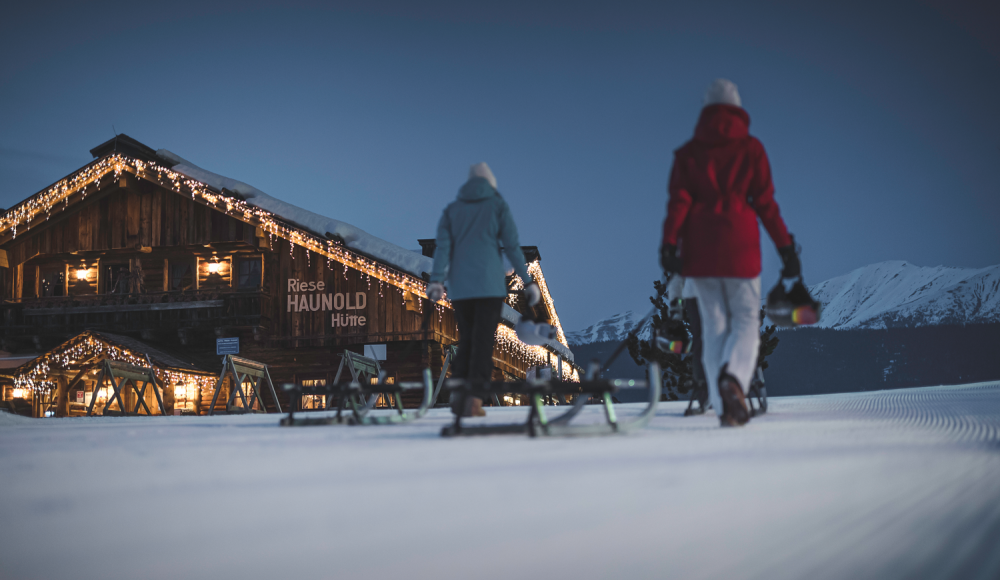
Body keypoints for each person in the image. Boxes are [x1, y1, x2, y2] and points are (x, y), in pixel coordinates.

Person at [660, 79, 801, 427]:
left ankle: (725, 411)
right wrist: (784, 247)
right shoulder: (752, 150)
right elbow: (766, 204)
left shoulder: (688, 154)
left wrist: (668, 244)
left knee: (713, 329)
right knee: (746, 324)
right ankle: (734, 380)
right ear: (738, 108)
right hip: (740, 249)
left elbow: (678, 204)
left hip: (700, 254)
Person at [427, 163, 541, 417]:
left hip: (461, 287)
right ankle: (474, 399)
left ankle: (459, 389)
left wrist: (436, 280)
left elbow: (443, 249)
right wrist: (528, 281)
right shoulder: (497, 207)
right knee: (482, 341)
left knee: (466, 338)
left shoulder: (452, 211)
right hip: (489, 285)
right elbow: (512, 247)